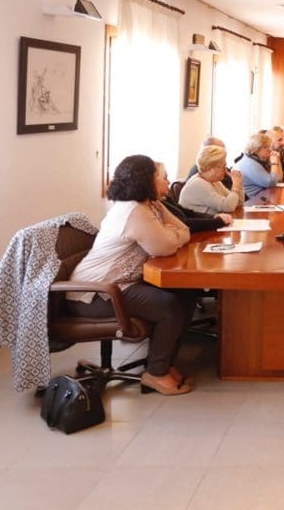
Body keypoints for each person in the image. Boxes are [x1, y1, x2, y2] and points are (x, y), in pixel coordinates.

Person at [67, 155, 195, 395]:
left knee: (186, 293)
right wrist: (171, 235)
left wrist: (168, 227)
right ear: (145, 180)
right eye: (159, 176)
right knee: (169, 305)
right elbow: (165, 247)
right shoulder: (134, 211)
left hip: (117, 286)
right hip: (94, 293)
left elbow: (184, 230)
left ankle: (165, 363)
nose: (165, 180)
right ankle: (156, 374)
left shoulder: (147, 206)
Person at [155, 161, 232, 233]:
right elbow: (184, 223)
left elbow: (188, 213)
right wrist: (217, 221)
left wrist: (214, 217)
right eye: (165, 178)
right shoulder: (157, 205)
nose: (168, 182)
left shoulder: (165, 199)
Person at [180, 145, 245, 214]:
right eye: (223, 167)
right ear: (210, 169)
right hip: (197, 221)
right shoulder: (198, 184)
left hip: (212, 219)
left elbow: (237, 203)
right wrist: (235, 186)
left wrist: (239, 184)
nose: (226, 170)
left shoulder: (214, 181)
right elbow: (228, 207)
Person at [234, 132, 284, 199]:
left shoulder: (259, 160)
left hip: (265, 196)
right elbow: (271, 183)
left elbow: (279, 178)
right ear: (255, 149)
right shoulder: (250, 163)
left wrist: (277, 160)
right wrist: (274, 163)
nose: (269, 150)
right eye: (265, 147)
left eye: (269, 146)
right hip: (255, 201)